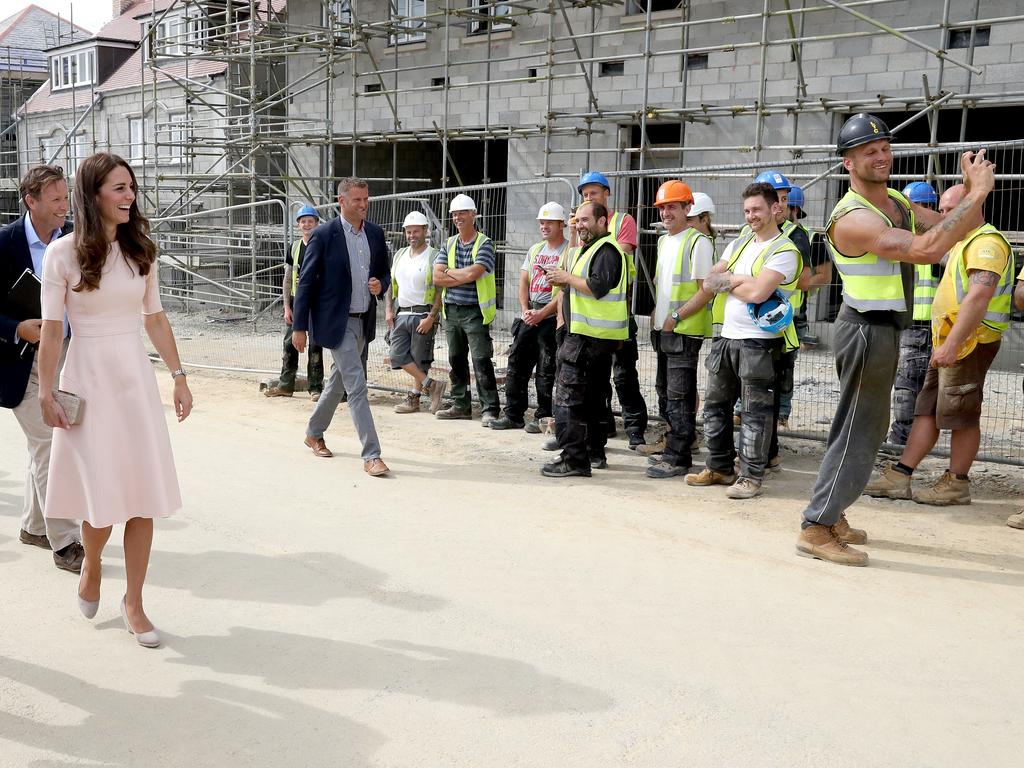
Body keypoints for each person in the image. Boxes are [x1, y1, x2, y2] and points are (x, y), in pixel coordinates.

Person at [796, 113, 995, 567]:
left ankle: (833, 511)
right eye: (869, 151)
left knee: (855, 427)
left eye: (885, 147)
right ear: (848, 162)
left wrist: (968, 191)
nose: (881, 155)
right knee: (861, 430)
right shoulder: (851, 218)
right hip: (864, 330)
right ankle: (817, 526)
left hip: (882, 329)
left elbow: (955, 227)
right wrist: (977, 193)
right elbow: (928, 249)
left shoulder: (896, 203)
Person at [37, 152, 193, 647]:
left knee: (142, 493)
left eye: (131, 188)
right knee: (101, 495)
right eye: (119, 188)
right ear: (94, 194)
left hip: (134, 379)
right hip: (88, 378)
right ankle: (93, 565)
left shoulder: (141, 249)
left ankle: (135, 602)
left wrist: (179, 375)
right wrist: (44, 389)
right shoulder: (61, 254)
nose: (130, 197)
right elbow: (52, 329)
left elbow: (156, 318)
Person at [863, 183, 1012, 506]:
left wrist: (952, 344)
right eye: (943, 210)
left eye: (951, 210)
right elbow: (929, 221)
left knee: (962, 416)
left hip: (970, 342)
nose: (945, 216)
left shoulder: (986, 243)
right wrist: (893, 199)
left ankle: (957, 482)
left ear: (971, 207)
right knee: (926, 410)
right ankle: (901, 475)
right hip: (950, 342)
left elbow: (980, 295)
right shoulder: (963, 240)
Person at [686, 182, 801, 500]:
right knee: (715, 407)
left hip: (759, 343)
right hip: (726, 337)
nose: (751, 216)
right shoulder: (738, 244)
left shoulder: (784, 251)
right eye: (747, 210)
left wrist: (731, 280)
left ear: (774, 209)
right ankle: (720, 467)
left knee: (755, 413)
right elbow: (710, 281)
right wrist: (741, 280)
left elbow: (759, 293)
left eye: (757, 210)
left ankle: (751, 476)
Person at [0, 165, 84, 573]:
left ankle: (34, 526)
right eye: (55, 200)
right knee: (52, 443)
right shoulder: (4, 244)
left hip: (67, 356)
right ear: (30, 202)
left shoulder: (74, 241)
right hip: (21, 361)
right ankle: (66, 542)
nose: (64, 207)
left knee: (48, 444)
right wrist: (17, 328)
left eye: (66, 197)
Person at [292, 177, 390, 477]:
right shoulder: (324, 235)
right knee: (357, 385)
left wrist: (380, 285)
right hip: (337, 322)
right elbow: (306, 282)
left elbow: (385, 273)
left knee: (338, 383)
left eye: (366, 199)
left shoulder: (374, 233)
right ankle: (371, 454)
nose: (364, 205)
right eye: (357, 200)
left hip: (364, 320)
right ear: (341, 201)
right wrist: (299, 327)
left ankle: (313, 432)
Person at [542, 201, 627, 477]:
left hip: (588, 338)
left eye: (585, 221)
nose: (579, 226)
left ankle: (574, 459)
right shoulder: (589, 249)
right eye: (577, 221)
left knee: (567, 399)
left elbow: (598, 286)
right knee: (591, 399)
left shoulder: (607, 250)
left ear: (603, 222)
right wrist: (564, 280)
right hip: (590, 336)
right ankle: (591, 452)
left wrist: (566, 277)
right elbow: (579, 282)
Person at [575, 171, 648, 448]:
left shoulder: (622, 221)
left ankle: (635, 429)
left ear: (606, 194)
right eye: (585, 194)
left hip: (618, 313)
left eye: (593, 193)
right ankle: (602, 427)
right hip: (591, 319)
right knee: (595, 379)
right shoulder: (583, 226)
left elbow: (622, 250)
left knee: (624, 375)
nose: (589, 197)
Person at [645, 180, 712, 480]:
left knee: (679, 396)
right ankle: (674, 447)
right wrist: (658, 316)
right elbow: (663, 284)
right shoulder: (663, 241)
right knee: (666, 392)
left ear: (688, 208)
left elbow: (705, 290)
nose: (666, 213)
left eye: (672, 206)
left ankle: (678, 456)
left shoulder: (698, 242)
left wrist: (675, 315)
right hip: (666, 329)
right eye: (662, 208)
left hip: (684, 331)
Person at [491, 202, 567, 432]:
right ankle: (513, 414)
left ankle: (543, 416)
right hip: (530, 314)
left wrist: (543, 313)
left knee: (546, 368)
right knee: (517, 364)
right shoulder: (535, 250)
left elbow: (564, 290)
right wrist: (525, 309)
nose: (544, 226)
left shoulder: (567, 251)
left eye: (549, 222)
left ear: (561, 224)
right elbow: (524, 281)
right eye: (542, 222)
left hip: (551, 316)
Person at [432, 194, 501, 424]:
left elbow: (474, 273)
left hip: (475, 311)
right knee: (456, 360)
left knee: (481, 360)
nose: (457, 217)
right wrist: (459, 275)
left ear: (473, 214)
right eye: (454, 214)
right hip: (452, 311)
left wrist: (450, 272)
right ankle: (461, 405)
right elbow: (436, 278)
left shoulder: (485, 243)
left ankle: (489, 409)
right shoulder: (449, 243)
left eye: (462, 213)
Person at [885, 181, 944, 446]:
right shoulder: (932, 243)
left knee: (909, 384)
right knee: (921, 386)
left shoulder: (923, 244)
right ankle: (912, 439)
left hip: (920, 324)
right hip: (922, 323)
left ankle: (902, 439)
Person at [384, 211, 446, 414]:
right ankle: (433, 385)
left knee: (419, 359)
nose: (412, 235)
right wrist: (388, 310)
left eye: (416, 231)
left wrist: (432, 316)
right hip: (402, 313)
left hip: (423, 314)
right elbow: (391, 286)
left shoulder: (434, 255)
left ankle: (414, 399)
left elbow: (440, 290)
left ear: (425, 231)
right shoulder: (400, 254)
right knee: (397, 354)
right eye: (409, 232)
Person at [265, 204, 324, 400]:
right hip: (297, 301)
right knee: (290, 343)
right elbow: (288, 278)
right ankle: (286, 385)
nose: (307, 224)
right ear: (298, 224)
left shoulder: (323, 245)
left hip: (317, 302)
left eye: (310, 221)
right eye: (303, 221)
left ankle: (315, 387)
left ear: (317, 223)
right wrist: (287, 307)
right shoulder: (295, 247)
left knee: (316, 344)